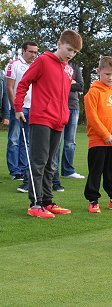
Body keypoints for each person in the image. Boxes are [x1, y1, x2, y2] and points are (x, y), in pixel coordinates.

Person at [14, 30, 82, 218]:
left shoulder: (69, 68)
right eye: (69, 49)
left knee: (51, 163)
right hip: (41, 118)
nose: (71, 54)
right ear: (59, 44)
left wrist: (65, 115)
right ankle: (35, 204)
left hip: (59, 121)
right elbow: (23, 83)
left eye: (75, 52)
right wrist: (18, 107)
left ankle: (47, 201)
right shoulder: (42, 61)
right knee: (39, 162)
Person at [84, 56, 112, 213]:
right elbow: (92, 117)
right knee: (96, 171)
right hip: (98, 141)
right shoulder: (93, 92)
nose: (111, 77)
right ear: (99, 72)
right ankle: (93, 200)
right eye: (107, 74)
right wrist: (105, 135)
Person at [5, 42, 38, 193]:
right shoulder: (14, 64)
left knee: (28, 141)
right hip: (18, 107)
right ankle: (14, 170)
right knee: (14, 139)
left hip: (33, 108)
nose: (33, 55)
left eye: (35, 52)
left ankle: (25, 169)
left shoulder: (36, 65)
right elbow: (10, 87)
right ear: (23, 50)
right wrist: (15, 107)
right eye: (31, 51)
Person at [52, 61, 85, 192]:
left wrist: (69, 83)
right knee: (57, 142)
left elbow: (81, 86)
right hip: (59, 107)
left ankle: (68, 170)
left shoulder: (75, 66)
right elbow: (56, 85)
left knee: (70, 142)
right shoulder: (55, 64)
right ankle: (53, 175)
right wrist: (70, 82)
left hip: (74, 107)